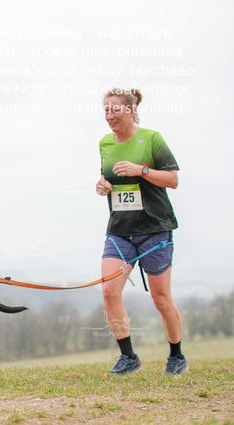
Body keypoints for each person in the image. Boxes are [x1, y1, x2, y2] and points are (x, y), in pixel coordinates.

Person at [95, 88, 188, 377]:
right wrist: (101, 185)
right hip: (120, 231)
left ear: (132, 110)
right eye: (106, 110)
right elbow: (108, 178)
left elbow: (172, 180)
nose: (109, 116)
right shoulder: (105, 143)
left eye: (115, 110)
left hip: (154, 230)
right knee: (109, 291)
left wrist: (141, 170)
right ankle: (129, 358)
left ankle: (176, 357)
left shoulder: (152, 139)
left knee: (161, 299)